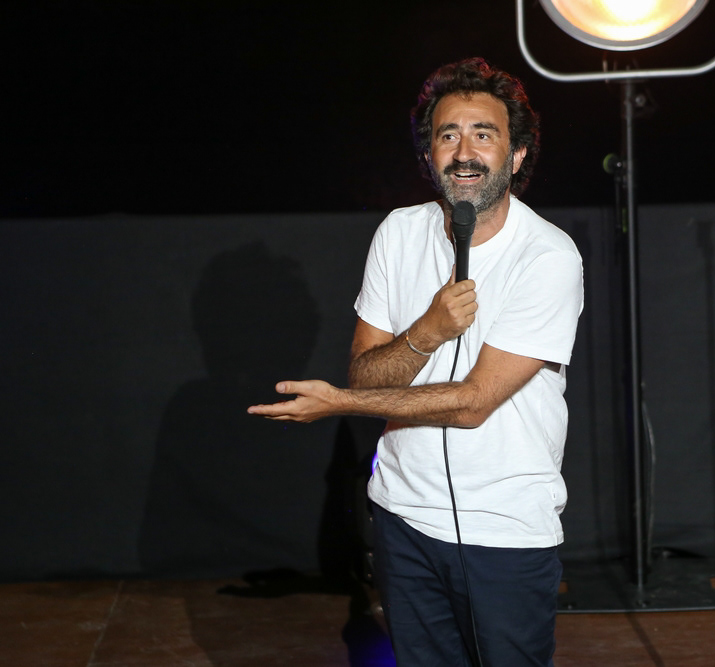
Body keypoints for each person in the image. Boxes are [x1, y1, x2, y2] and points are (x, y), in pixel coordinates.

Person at [248, 57, 584, 666]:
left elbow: (474, 403)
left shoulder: (548, 257)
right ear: (429, 155)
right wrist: (427, 331)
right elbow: (367, 373)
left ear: (516, 156)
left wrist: (339, 405)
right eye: (447, 135)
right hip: (402, 519)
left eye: (484, 134)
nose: (464, 152)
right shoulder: (398, 233)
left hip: (503, 528)